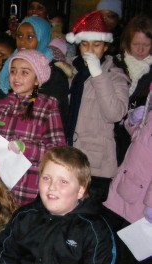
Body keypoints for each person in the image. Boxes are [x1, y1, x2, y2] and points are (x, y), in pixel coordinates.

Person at [0, 49, 66, 206]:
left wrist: (26, 147)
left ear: (37, 79)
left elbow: (58, 151)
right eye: (13, 72)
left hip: (26, 187)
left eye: (25, 73)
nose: (16, 77)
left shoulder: (47, 106)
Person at [65, 11, 129, 203]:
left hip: (95, 162)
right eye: (85, 44)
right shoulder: (71, 70)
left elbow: (115, 113)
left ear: (106, 46)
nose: (90, 50)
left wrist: (98, 75)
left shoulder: (115, 75)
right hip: (67, 155)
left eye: (97, 45)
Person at [104, 92, 152, 264]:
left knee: (146, 246)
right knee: (129, 236)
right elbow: (140, 137)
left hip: (146, 191)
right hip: (131, 181)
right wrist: (133, 121)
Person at [0, 16, 71, 126]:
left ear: (43, 39)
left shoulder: (53, 74)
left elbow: (58, 118)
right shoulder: (9, 65)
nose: (22, 42)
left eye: (30, 37)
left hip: (36, 134)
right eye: (19, 36)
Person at [113, 14, 152, 164]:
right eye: (136, 44)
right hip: (112, 134)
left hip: (137, 138)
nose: (141, 50)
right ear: (128, 42)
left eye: (147, 45)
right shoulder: (116, 63)